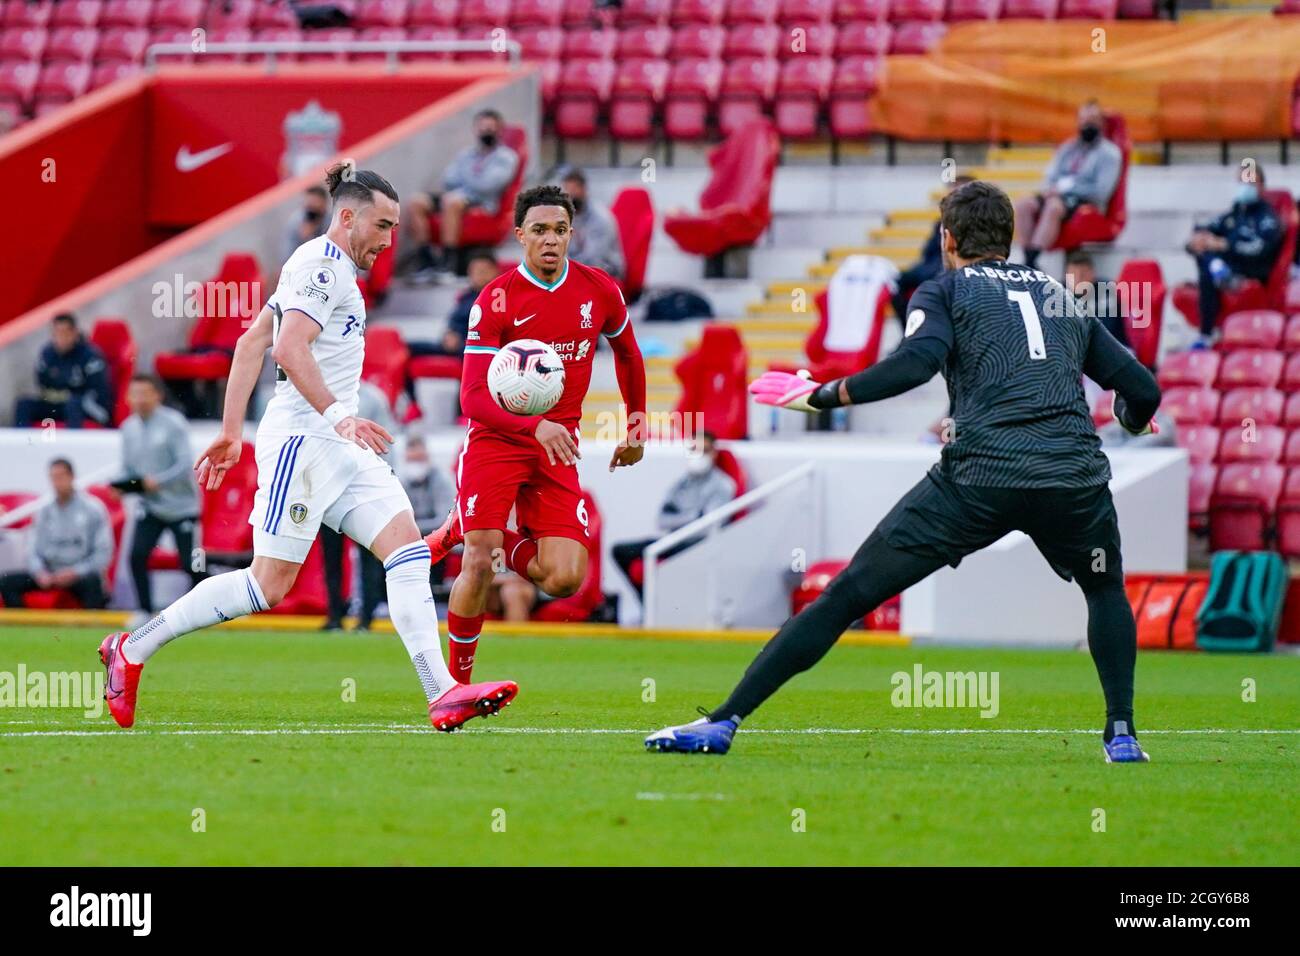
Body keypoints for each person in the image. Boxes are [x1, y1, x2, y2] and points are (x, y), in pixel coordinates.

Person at [647, 180, 1161, 764]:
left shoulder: (942, 290)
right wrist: (1131, 415)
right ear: (1011, 239)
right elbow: (1142, 388)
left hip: (979, 478)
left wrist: (823, 395)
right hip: (1072, 476)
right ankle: (1121, 733)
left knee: (846, 595)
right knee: (1104, 590)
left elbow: (915, 364)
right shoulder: (1059, 296)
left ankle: (723, 722)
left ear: (947, 240)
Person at [96, 161, 517, 733]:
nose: (390, 240)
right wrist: (339, 417)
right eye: (384, 226)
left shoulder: (316, 264)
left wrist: (229, 430)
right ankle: (132, 648)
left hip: (338, 445)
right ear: (348, 218)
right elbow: (288, 350)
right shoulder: (325, 269)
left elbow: (249, 343)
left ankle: (441, 692)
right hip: (305, 442)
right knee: (266, 585)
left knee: (408, 554)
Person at [422, 184, 648, 684]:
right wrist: (534, 424)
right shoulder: (496, 299)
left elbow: (629, 354)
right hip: (498, 440)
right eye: (541, 230)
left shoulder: (599, 290)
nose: (551, 240)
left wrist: (636, 423)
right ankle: (455, 686)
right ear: (520, 234)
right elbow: (474, 398)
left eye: (561, 231)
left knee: (565, 578)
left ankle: (466, 523)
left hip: (558, 444)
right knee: (479, 559)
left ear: (572, 234)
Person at [115, 374, 204, 615]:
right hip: (151, 506)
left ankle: (207, 609)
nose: (140, 399)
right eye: (135, 394)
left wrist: (159, 481)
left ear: (158, 395)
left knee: (192, 563)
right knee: (136, 556)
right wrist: (121, 486)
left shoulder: (173, 423)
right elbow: (128, 467)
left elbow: (185, 464)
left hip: (182, 506)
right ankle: (144, 611)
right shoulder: (128, 428)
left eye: (145, 393)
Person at [611, 432, 735, 596]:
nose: (698, 456)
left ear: (714, 453)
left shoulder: (723, 485)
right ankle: (648, 605)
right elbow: (662, 520)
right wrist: (694, 516)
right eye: (693, 450)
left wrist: (682, 519)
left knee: (658, 554)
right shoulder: (683, 483)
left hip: (700, 545)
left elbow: (708, 527)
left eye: (703, 450)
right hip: (673, 541)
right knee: (620, 551)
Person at [404, 109, 520, 281]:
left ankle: (448, 261)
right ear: (475, 129)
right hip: (457, 194)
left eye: (490, 127)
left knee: (452, 202)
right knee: (416, 202)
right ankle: (425, 259)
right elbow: (448, 179)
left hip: (483, 202)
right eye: (482, 127)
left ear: (499, 130)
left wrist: (466, 180)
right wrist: (472, 178)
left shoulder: (506, 157)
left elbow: (488, 185)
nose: (486, 131)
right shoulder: (467, 154)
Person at [320, 380, 394, 632]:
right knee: (332, 557)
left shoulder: (372, 398)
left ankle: (366, 617)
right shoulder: (324, 394)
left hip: (362, 487)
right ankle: (335, 615)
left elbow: (386, 443)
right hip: (330, 489)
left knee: (368, 558)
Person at [1014, 100, 1122, 270]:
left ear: (1101, 123)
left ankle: (1030, 261)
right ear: (1078, 122)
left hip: (1085, 201)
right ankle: (1028, 258)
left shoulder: (1110, 153)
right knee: (1023, 205)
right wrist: (1050, 190)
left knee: (1053, 207)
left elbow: (1101, 192)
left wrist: (1068, 189)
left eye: (1093, 120)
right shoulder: (1068, 148)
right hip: (1057, 195)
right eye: (1084, 120)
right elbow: (1050, 176)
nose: (1088, 124)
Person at [1185, 165, 1283, 347]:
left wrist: (1226, 245)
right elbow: (1208, 227)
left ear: (1260, 185)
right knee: (1206, 257)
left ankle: (1207, 334)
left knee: (1210, 262)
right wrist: (1198, 240)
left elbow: (1260, 250)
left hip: (1252, 268)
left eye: (1249, 182)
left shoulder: (1267, 217)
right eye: (1241, 181)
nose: (1243, 186)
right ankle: (1220, 273)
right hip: (1229, 266)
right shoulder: (1235, 213)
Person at [0, 459, 113, 609]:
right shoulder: (44, 510)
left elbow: (103, 553)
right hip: (48, 573)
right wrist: (40, 572)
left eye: (61, 477)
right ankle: (27, 627)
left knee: (93, 583)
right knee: (6, 582)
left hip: (79, 574)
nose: (57, 482)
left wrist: (75, 572)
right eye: (53, 478)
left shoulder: (93, 509)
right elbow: (32, 549)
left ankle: (91, 627)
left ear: (72, 477)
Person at [892, 175, 973, 322]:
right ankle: (909, 331)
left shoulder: (974, 223)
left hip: (954, 268)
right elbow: (927, 252)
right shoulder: (940, 223)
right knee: (896, 283)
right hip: (931, 266)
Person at [14, 313, 113, 428]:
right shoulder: (47, 354)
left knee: (73, 404)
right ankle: (25, 443)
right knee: (23, 404)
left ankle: (73, 444)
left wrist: (70, 393)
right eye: (56, 333)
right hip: (59, 405)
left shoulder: (90, 356)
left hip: (89, 407)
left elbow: (98, 391)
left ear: (74, 332)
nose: (61, 338)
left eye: (65, 333)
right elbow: (43, 385)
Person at [561, 168, 624, 281]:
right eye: (567, 189)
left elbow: (594, 259)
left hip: (607, 272)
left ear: (584, 189)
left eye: (574, 189)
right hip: (580, 269)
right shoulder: (568, 216)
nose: (570, 194)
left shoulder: (600, 218)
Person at [1064, 250, 1128, 349]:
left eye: (1082, 274)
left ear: (1092, 274)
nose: (1077, 279)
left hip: (1115, 349)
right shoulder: (1060, 293)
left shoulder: (1106, 290)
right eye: (1072, 275)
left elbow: (1105, 330)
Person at [283, 185, 330, 265]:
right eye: (309, 207)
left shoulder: (331, 221)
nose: (312, 211)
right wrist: (303, 239)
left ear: (324, 205)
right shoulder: (296, 224)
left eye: (316, 207)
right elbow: (287, 258)